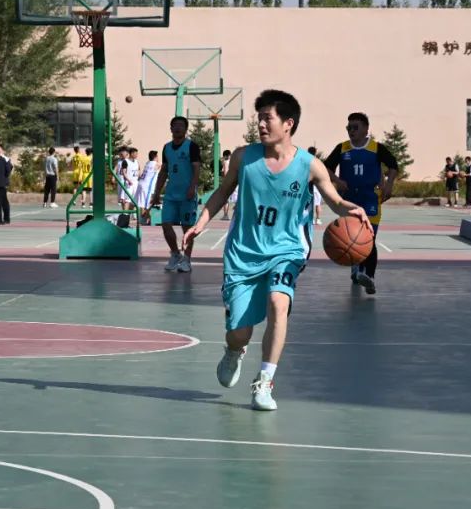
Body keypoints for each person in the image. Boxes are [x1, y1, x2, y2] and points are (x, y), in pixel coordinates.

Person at [183, 90, 368, 411]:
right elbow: (222, 192)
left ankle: (265, 382)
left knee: (278, 303)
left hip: (287, 250)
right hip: (243, 253)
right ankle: (235, 351)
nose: (261, 125)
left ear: (288, 123)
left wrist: (353, 209)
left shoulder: (309, 165)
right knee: (239, 333)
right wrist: (200, 223)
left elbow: (336, 201)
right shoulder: (243, 157)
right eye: (259, 119)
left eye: (267, 118)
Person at [324, 113, 399, 295]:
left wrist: (389, 184)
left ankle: (369, 277)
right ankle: (356, 267)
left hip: (370, 199)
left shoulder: (377, 148)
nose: (351, 131)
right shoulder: (342, 148)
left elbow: (393, 165)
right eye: (348, 128)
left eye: (355, 127)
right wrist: (337, 181)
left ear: (366, 129)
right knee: (351, 237)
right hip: (349, 200)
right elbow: (326, 167)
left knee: (368, 237)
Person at [150, 115, 202, 274]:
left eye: (181, 125)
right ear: (171, 128)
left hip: (187, 195)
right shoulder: (166, 148)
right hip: (171, 195)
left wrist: (192, 187)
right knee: (166, 225)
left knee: (187, 229)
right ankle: (175, 253)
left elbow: (196, 169)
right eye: (175, 125)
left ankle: (186, 260)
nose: (178, 128)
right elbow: (164, 171)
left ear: (186, 129)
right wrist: (157, 192)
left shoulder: (191, 146)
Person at [133, 150, 158, 225]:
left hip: (141, 184)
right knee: (146, 204)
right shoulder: (156, 164)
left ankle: (144, 219)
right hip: (147, 186)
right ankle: (145, 219)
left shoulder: (147, 163)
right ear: (155, 157)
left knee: (142, 203)